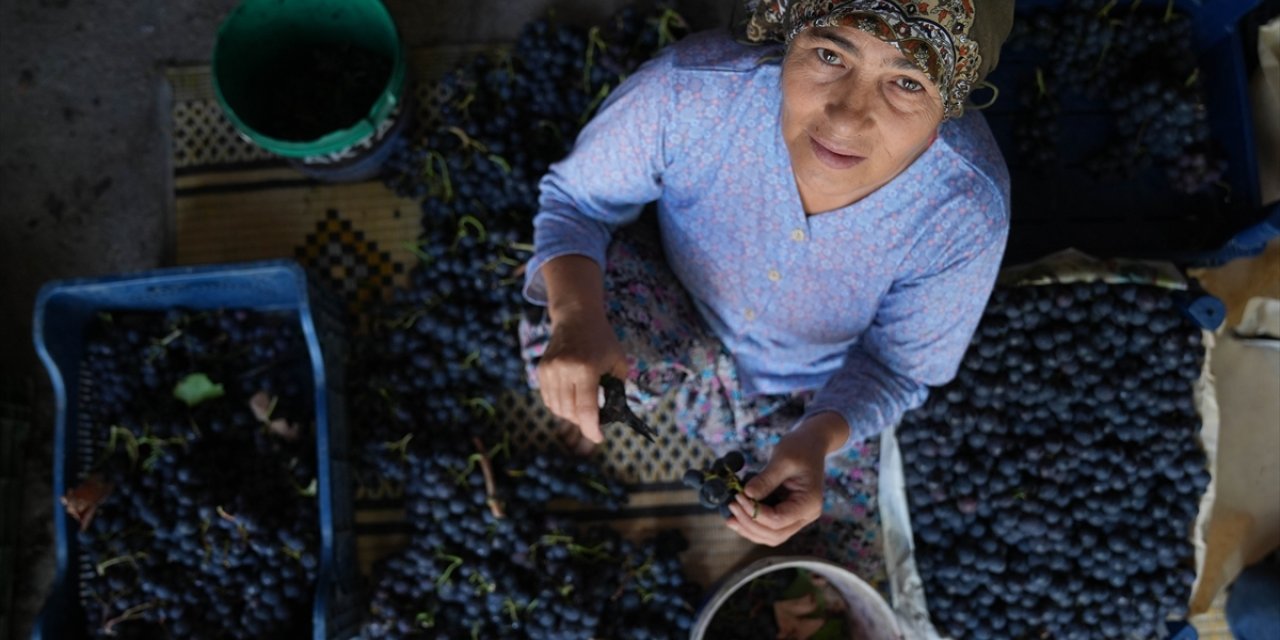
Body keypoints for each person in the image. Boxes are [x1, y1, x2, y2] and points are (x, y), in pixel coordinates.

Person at [521, 0, 1016, 552]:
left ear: (945, 111)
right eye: (830, 54)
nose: (848, 116)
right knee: (565, 350)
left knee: (834, 540)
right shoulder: (694, 93)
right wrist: (577, 316)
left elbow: (900, 367)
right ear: (788, 41)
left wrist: (815, 435)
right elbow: (576, 200)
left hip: (810, 390)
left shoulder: (964, 209)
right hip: (672, 301)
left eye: (907, 82)